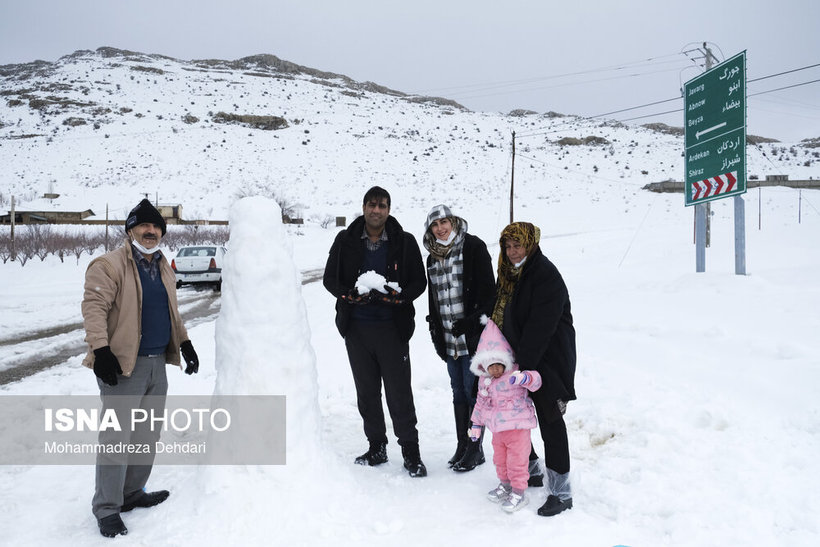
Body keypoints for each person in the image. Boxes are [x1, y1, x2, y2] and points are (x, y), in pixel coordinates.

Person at [82, 198, 200, 538]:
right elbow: (94, 309)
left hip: (156, 365)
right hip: (122, 367)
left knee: (146, 437)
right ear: (130, 230)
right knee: (116, 440)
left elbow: (171, 313)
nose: (151, 232)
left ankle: (131, 494)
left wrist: (185, 343)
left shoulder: (163, 265)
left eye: (156, 228)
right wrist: (101, 351)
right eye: (144, 227)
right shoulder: (108, 265)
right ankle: (106, 508)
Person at [323, 186, 428, 477]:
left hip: (392, 330)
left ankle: (411, 452)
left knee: (399, 394)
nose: (376, 210)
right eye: (372, 204)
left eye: (382, 205)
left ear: (389, 209)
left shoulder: (404, 242)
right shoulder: (345, 240)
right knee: (367, 393)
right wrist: (347, 295)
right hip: (356, 329)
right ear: (364, 206)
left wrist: (399, 297)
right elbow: (329, 279)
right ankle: (376, 447)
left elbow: (418, 282)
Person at [491, 221, 576, 517]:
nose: (513, 251)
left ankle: (562, 493)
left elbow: (541, 328)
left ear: (532, 244)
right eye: (508, 246)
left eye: (519, 245)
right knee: (515, 417)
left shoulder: (544, 276)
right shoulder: (510, 273)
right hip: (520, 359)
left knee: (550, 422)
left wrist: (520, 370)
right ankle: (531, 471)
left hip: (549, 361)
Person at [422, 204, 495, 472]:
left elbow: (489, 292)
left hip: (472, 336)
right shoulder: (432, 258)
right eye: (435, 225)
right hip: (450, 339)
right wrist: (435, 333)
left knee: (473, 392)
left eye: (444, 222)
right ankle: (462, 444)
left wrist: (471, 322)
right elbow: (434, 300)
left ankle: (475, 449)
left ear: (453, 222)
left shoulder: (472, 247)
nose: (441, 228)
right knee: (458, 393)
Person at [468, 318, 542, 512]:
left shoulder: (515, 374)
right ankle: (505, 485)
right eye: (490, 365)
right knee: (500, 460)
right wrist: (476, 425)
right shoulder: (485, 382)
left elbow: (537, 381)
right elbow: (480, 404)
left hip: (518, 428)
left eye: (499, 364)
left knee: (517, 461)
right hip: (498, 430)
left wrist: (526, 378)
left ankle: (519, 492)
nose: (495, 369)